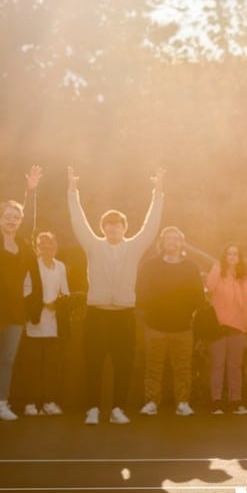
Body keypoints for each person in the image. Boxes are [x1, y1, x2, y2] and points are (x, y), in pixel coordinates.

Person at [68, 165, 165, 425]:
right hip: (97, 315)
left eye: (117, 225)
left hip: (123, 315)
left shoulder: (134, 247)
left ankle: (118, 409)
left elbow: (151, 226)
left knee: (124, 365)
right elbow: (78, 222)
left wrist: (158, 192)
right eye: (108, 225)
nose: (113, 229)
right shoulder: (93, 246)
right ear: (103, 229)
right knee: (93, 365)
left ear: (124, 227)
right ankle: (92, 409)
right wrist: (72, 191)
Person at [0, 163, 42, 423]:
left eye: (16, 216)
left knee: (7, 360)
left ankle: (2, 404)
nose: (12, 219)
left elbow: (32, 221)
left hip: (15, 311)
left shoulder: (24, 245)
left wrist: (31, 192)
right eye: (7, 215)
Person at [135, 226, 204, 417]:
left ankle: (182, 403)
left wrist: (186, 310)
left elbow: (198, 295)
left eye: (176, 239)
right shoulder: (150, 265)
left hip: (182, 327)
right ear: (162, 242)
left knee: (183, 367)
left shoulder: (191, 266)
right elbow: (141, 291)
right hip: (154, 325)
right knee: (153, 366)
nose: (172, 242)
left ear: (181, 243)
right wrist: (151, 308)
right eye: (168, 239)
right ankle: (151, 403)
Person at [18, 231, 70, 416]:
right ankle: (31, 403)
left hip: (54, 324)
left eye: (51, 246)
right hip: (35, 323)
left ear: (55, 248)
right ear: (37, 248)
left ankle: (48, 402)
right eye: (43, 246)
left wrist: (57, 303)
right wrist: (42, 304)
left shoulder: (61, 266)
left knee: (51, 366)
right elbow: (25, 292)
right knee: (33, 365)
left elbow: (65, 291)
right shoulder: (31, 265)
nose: (47, 249)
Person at [205, 244, 247, 415]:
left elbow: (246, 298)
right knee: (217, 365)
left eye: (235, 254)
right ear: (224, 256)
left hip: (239, 326)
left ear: (240, 258)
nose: (232, 256)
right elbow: (209, 286)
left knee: (235, 366)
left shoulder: (246, 277)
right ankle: (216, 401)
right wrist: (219, 267)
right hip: (219, 325)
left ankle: (236, 401)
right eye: (229, 253)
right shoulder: (218, 271)